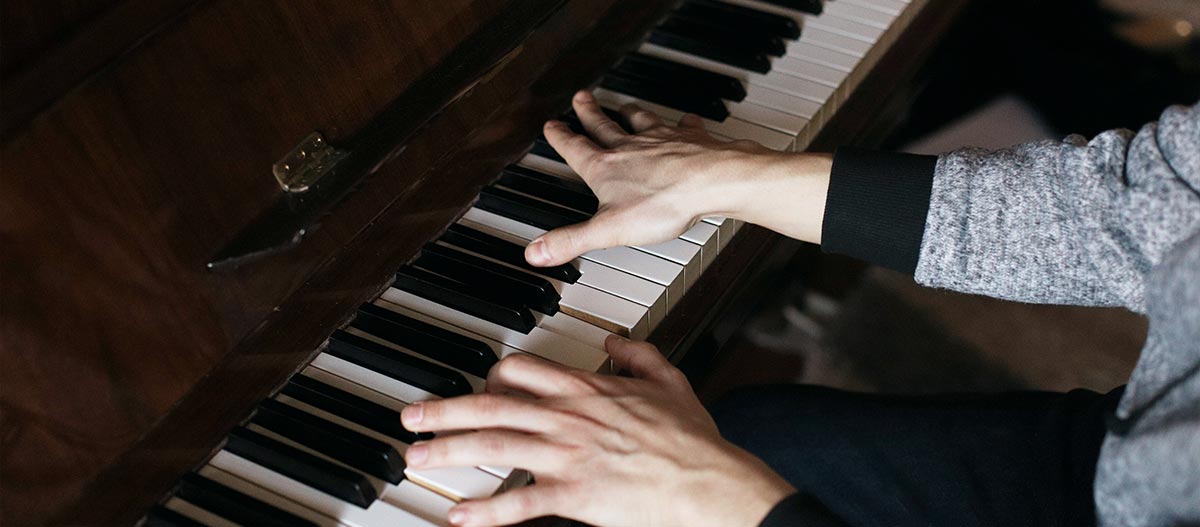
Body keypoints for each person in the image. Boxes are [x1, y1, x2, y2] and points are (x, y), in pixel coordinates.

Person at [397, 90, 1199, 527]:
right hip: (1132, 458)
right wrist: (731, 177)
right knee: (753, 428)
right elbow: (1139, 210)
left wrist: (723, 498)